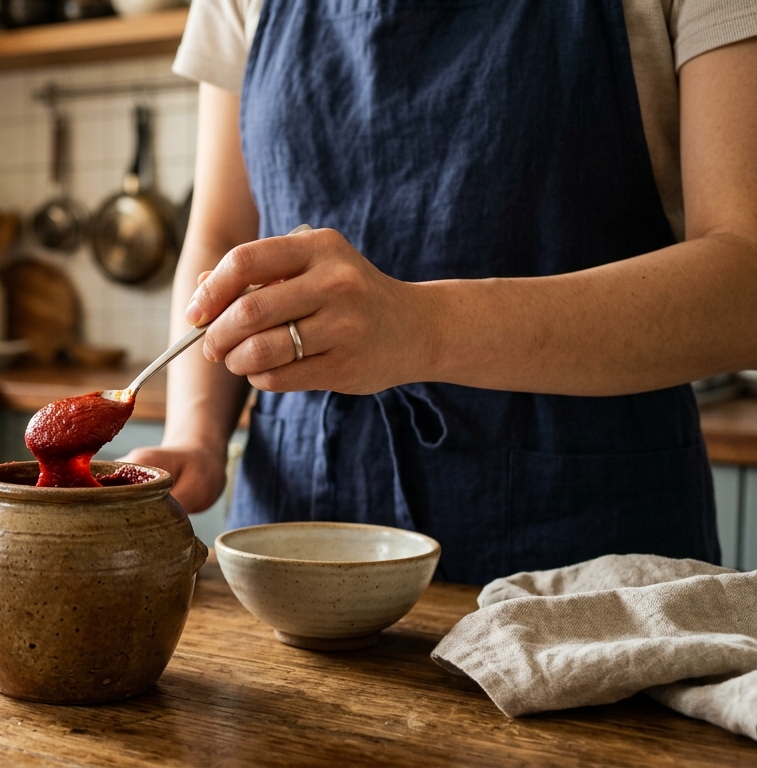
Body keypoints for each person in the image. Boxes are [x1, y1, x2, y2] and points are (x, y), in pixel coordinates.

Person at [122, 0, 757, 584]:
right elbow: (222, 234)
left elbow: (745, 276)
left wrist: (420, 328)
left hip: (587, 548)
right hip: (293, 534)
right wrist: (197, 435)